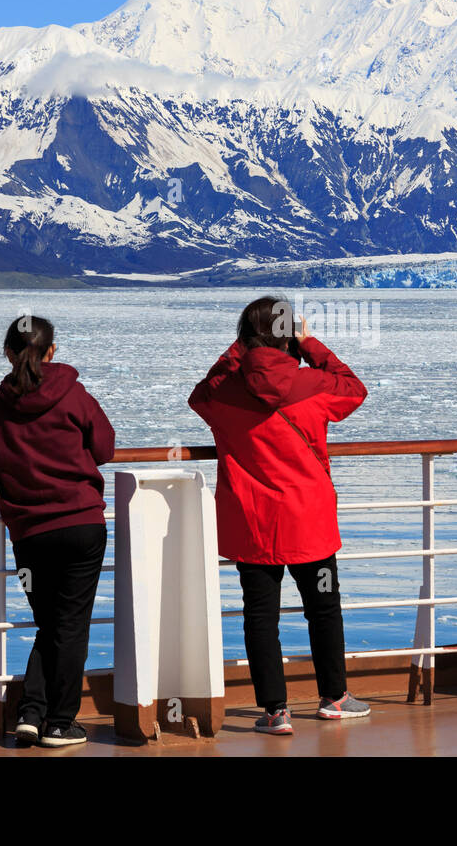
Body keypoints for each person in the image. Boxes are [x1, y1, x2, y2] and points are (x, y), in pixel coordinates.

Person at [189, 296, 369, 736]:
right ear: (288, 335)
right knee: (324, 609)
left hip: (253, 523)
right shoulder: (315, 385)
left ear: (246, 338)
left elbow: (200, 394)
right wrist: (309, 344)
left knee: (260, 615)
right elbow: (354, 387)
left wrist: (240, 349)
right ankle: (335, 698)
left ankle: (275, 711)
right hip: (309, 519)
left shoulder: (225, 392)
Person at [0, 316, 115, 747]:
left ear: (7, 352)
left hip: (29, 534)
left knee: (50, 622)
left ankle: (31, 714)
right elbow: (105, 448)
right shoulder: (73, 395)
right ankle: (58, 722)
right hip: (80, 527)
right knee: (68, 625)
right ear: (52, 351)